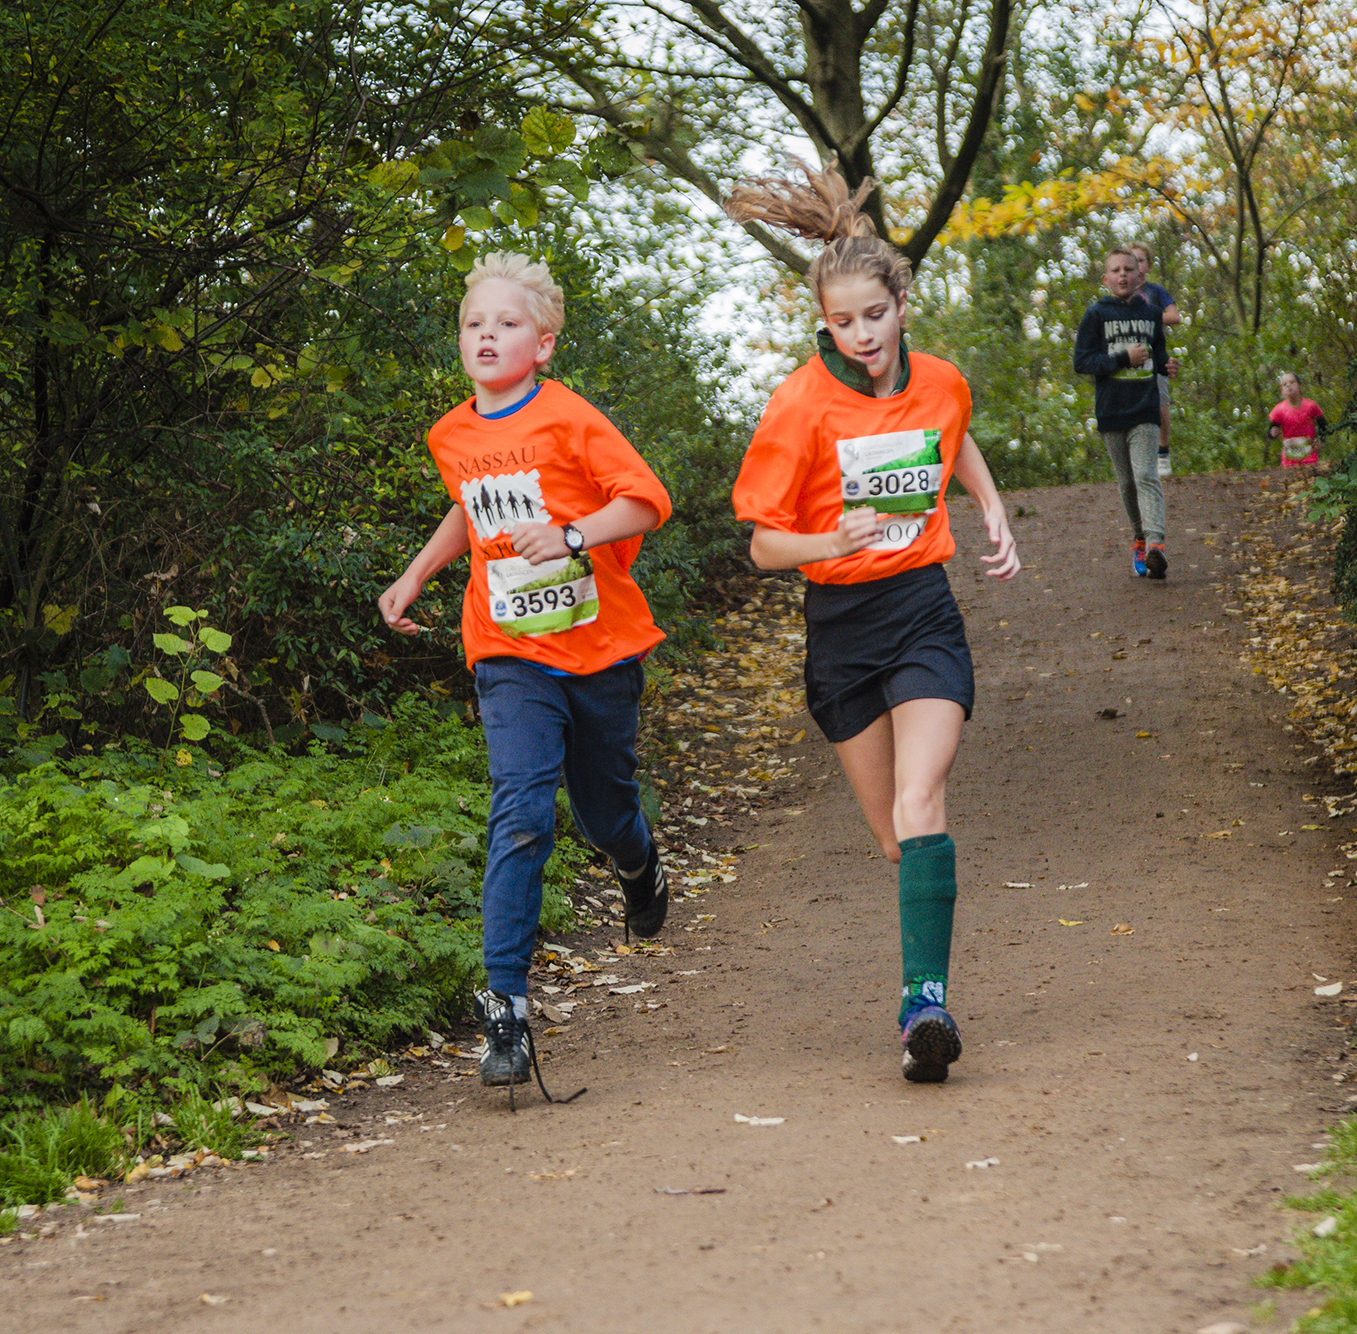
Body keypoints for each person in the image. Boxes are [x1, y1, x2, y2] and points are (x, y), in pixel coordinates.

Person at [725, 163, 1021, 1084]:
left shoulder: (939, 379)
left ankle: (925, 1003)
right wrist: (825, 537)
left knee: (922, 799)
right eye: (841, 322)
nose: (859, 336)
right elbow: (761, 548)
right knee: (895, 836)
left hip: (921, 607)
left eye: (873, 316)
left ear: (903, 301)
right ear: (825, 321)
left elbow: (951, 427)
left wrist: (989, 503)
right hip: (840, 627)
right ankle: (915, 988)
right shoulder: (799, 405)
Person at [377, 252, 673, 1102]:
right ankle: (505, 1005)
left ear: (542, 345)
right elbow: (473, 508)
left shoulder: (572, 419)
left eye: (506, 324)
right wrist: (419, 572)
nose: (487, 335)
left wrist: (576, 534)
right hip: (507, 647)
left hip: (601, 646)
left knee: (604, 811)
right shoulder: (452, 434)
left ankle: (639, 860)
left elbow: (648, 500)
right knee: (519, 805)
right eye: (474, 323)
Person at [1074, 248, 1172, 579]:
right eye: (1115, 270)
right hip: (1111, 410)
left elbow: (1158, 356)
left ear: (1139, 276)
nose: (1122, 275)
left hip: (1144, 407)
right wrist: (1120, 359)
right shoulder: (1096, 315)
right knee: (1128, 482)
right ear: (1106, 278)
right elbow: (1082, 362)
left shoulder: (1152, 313)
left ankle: (1157, 544)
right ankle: (1140, 538)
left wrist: (1166, 365)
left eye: (1128, 269)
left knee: (1146, 474)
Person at [1124, 243, 1182, 477]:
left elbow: (1175, 316)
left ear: (1147, 265)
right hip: (1126, 354)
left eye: (1140, 260)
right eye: (1131, 261)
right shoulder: (1120, 293)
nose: (1135, 266)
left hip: (1154, 353)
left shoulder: (1155, 291)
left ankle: (1163, 452)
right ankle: (1134, 456)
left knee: (1160, 402)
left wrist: (1148, 316)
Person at [1267, 371, 1325, 468]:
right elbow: (1271, 430)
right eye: (1285, 384)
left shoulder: (1311, 406)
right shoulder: (1278, 410)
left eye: (1292, 382)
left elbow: (1324, 425)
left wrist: (1320, 440)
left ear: (1300, 386)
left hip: (1310, 458)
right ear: (1282, 391)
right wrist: (1273, 433)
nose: (1289, 386)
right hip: (1289, 460)